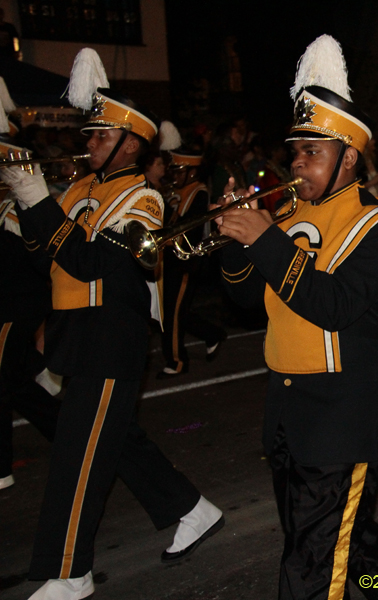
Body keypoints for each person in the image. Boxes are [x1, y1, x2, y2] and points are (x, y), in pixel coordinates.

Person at [0, 49, 223, 600]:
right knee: (117, 440)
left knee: (76, 458)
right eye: (91, 135)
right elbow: (44, 259)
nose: (89, 143)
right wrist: (23, 209)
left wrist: (35, 199)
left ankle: (69, 573)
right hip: (77, 336)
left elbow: (92, 262)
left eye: (100, 136)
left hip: (109, 340)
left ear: (130, 142)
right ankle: (193, 509)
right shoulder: (78, 191)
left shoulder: (142, 199)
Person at [216, 35, 378, 600]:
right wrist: (237, 242)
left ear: (348, 157)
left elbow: (334, 306)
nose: (298, 163)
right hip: (288, 407)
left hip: (343, 416)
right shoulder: (285, 217)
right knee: (318, 531)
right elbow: (242, 301)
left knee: (309, 561)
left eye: (313, 151)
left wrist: (264, 240)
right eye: (296, 152)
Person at [0, 101, 60, 492]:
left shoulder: (21, 201)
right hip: (12, 301)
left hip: (15, 304)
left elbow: (38, 259)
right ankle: (66, 428)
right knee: (16, 381)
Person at [157, 149, 228, 378]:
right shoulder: (172, 191)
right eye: (174, 170)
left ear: (192, 171)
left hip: (185, 260)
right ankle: (211, 334)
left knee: (173, 312)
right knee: (174, 310)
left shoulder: (198, 192)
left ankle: (177, 361)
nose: (175, 175)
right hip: (166, 258)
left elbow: (189, 227)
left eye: (180, 170)